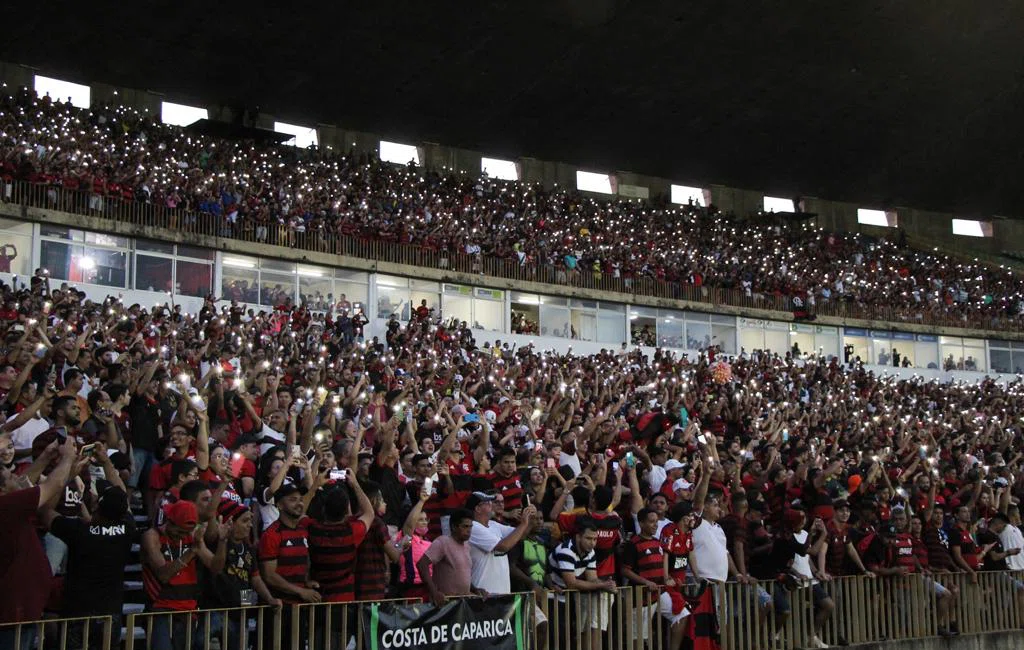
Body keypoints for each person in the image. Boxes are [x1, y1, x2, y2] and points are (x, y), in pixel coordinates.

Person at [43, 445, 134, 650]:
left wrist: (68, 476)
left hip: (77, 614)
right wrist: (106, 462)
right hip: (111, 615)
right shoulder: (128, 529)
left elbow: (46, 511)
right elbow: (121, 494)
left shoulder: (78, 530)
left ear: (95, 507)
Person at [0, 436, 77, 650]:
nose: (18, 478)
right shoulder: (7, 506)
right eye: (10, 477)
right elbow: (54, 484)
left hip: (19, 607)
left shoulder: (8, 502)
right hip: (14, 612)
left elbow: (21, 484)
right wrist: (67, 458)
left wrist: (44, 458)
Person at [141, 500, 226, 650]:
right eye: (179, 531)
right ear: (169, 522)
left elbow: (215, 567)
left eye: (186, 532)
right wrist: (192, 551)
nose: (182, 536)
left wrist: (222, 541)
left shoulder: (192, 536)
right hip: (160, 610)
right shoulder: (152, 536)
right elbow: (164, 574)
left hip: (188, 610)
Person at [309, 472, 375, 602]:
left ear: (323, 509)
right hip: (345, 600)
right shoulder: (351, 531)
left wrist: (314, 486)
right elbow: (369, 513)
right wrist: (355, 484)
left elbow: (298, 517)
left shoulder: (313, 529)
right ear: (347, 512)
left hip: (317, 598)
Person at [466, 491, 537, 596]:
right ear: (477, 508)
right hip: (484, 594)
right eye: (487, 502)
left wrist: (530, 518)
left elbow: (521, 535)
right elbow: (503, 547)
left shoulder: (493, 524)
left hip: (502, 594)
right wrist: (524, 523)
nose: (491, 504)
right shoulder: (473, 527)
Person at [418, 508, 477, 606]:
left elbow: (462, 575)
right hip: (445, 605)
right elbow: (422, 565)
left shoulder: (467, 546)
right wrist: (434, 592)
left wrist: (475, 589)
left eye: (471, 527)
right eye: (465, 526)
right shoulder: (443, 542)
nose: (469, 530)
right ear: (453, 527)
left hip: (462, 605)